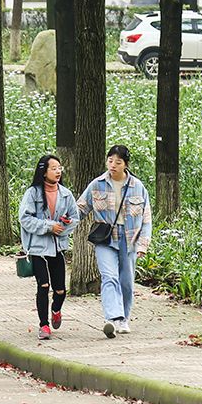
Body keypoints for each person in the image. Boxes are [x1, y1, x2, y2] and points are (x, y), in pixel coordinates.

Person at [77, 145, 152, 339]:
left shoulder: (138, 187)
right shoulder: (97, 184)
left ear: (125, 164)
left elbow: (146, 219)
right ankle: (113, 317)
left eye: (118, 162)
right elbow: (81, 208)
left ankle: (123, 319)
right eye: (110, 161)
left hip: (129, 239)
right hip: (105, 238)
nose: (113, 165)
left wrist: (143, 245)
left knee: (126, 282)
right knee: (109, 276)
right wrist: (63, 222)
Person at [18, 155, 78, 341]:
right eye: (53, 168)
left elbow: (74, 218)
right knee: (43, 285)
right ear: (44, 172)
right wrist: (48, 226)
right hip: (37, 248)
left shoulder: (66, 194)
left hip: (58, 248)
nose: (58, 171)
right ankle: (43, 325)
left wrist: (62, 227)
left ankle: (56, 310)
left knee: (60, 290)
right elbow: (25, 219)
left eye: (59, 167)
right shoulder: (32, 194)